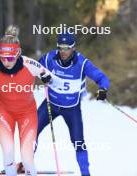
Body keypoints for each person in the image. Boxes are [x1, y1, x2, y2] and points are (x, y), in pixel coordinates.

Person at [0, 25, 63, 176]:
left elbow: (57, 82)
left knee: (27, 157)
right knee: (7, 153)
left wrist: (49, 79)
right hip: (3, 112)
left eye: (11, 58)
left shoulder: (30, 65)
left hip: (27, 113)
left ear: (18, 53)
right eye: (3, 57)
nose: (6, 61)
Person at [29, 32, 109, 176]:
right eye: (60, 48)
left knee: (78, 142)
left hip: (71, 109)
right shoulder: (49, 58)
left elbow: (102, 78)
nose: (63, 51)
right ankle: (26, 165)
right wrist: (41, 75)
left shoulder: (82, 63)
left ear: (73, 48)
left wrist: (103, 89)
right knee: (30, 132)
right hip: (50, 105)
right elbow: (30, 69)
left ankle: (85, 173)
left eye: (67, 48)